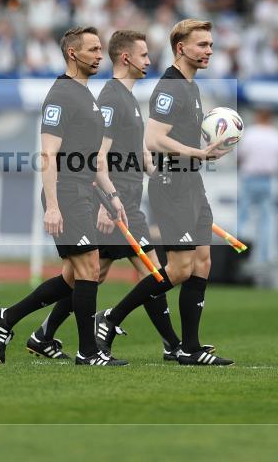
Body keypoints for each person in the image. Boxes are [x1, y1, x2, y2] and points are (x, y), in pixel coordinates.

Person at [25, 30, 183, 362]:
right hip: (115, 201)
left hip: (121, 200)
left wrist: (165, 177)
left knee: (90, 275)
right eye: (143, 55)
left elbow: (137, 152)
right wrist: (106, 202)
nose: (149, 61)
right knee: (150, 270)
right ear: (126, 58)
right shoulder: (110, 98)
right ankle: (165, 341)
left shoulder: (124, 99)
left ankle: (42, 333)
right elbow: (100, 154)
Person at [94, 19, 234, 366]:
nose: (209, 51)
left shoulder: (191, 88)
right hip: (172, 183)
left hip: (190, 181)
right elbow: (154, 139)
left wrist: (201, 146)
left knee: (203, 262)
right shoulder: (170, 87)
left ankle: (189, 346)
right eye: (202, 45)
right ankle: (111, 318)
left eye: (211, 45)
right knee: (180, 268)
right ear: (181, 48)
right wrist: (199, 152)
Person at [0, 27, 128, 366]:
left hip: (84, 190)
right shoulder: (61, 95)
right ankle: (88, 352)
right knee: (90, 268)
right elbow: (48, 154)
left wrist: (112, 195)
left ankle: (6, 318)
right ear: (72, 54)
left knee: (73, 276)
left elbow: (93, 158)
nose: (99, 55)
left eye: (100, 50)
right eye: (93, 49)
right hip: (65, 192)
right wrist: (53, 205)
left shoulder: (86, 96)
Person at [237, 107, 278, 285]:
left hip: (250, 177)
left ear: (258, 116)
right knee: (266, 221)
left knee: (243, 218)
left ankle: (240, 255)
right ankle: (264, 258)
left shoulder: (250, 134)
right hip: (268, 179)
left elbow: (241, 157)